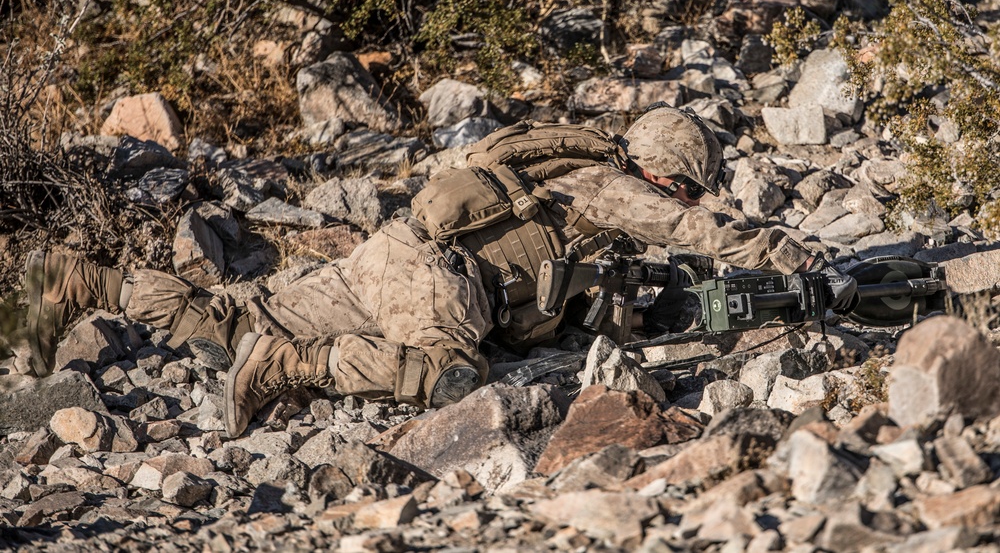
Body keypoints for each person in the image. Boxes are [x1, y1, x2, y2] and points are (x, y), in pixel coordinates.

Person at [14, 105, 858, 438]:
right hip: (435, 283)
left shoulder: (561, 162)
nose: (678, 193)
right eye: (683, 179)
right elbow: (693, 227)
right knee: (455, 376)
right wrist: (803, 261)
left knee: (238, 314)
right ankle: (293, 367)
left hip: (388, 250)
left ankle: (81, 284)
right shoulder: (614, 184)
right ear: (668, 166)